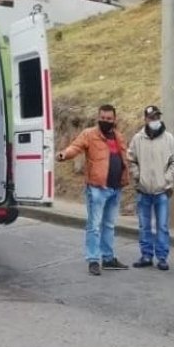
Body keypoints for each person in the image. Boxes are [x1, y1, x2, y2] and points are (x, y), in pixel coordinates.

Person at [56, 104, 130, 276]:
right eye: (103, 118)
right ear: (98, 118)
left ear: (114, 119)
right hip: (97, 188)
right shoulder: (89, 134)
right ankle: (93, 260)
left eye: (109, 119)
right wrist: (64, 155)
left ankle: (108, 258)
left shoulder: (119, 137)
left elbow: (125, 158)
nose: (105, 121)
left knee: (109, 225)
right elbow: (76, 147)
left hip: (115, 187)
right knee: (94, 226)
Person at [128, 105, 174, 271]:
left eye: (157, 117)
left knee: (162, 227)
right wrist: (138, 176)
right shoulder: (138, 139)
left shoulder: (168, 139)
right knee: (144, 225)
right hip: (143, 190)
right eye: (152, 118)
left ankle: (162, 257)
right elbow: (131, 159)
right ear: (145, 119)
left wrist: (166, 179)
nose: (155, 121)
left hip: (162, 191)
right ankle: (146, 255)